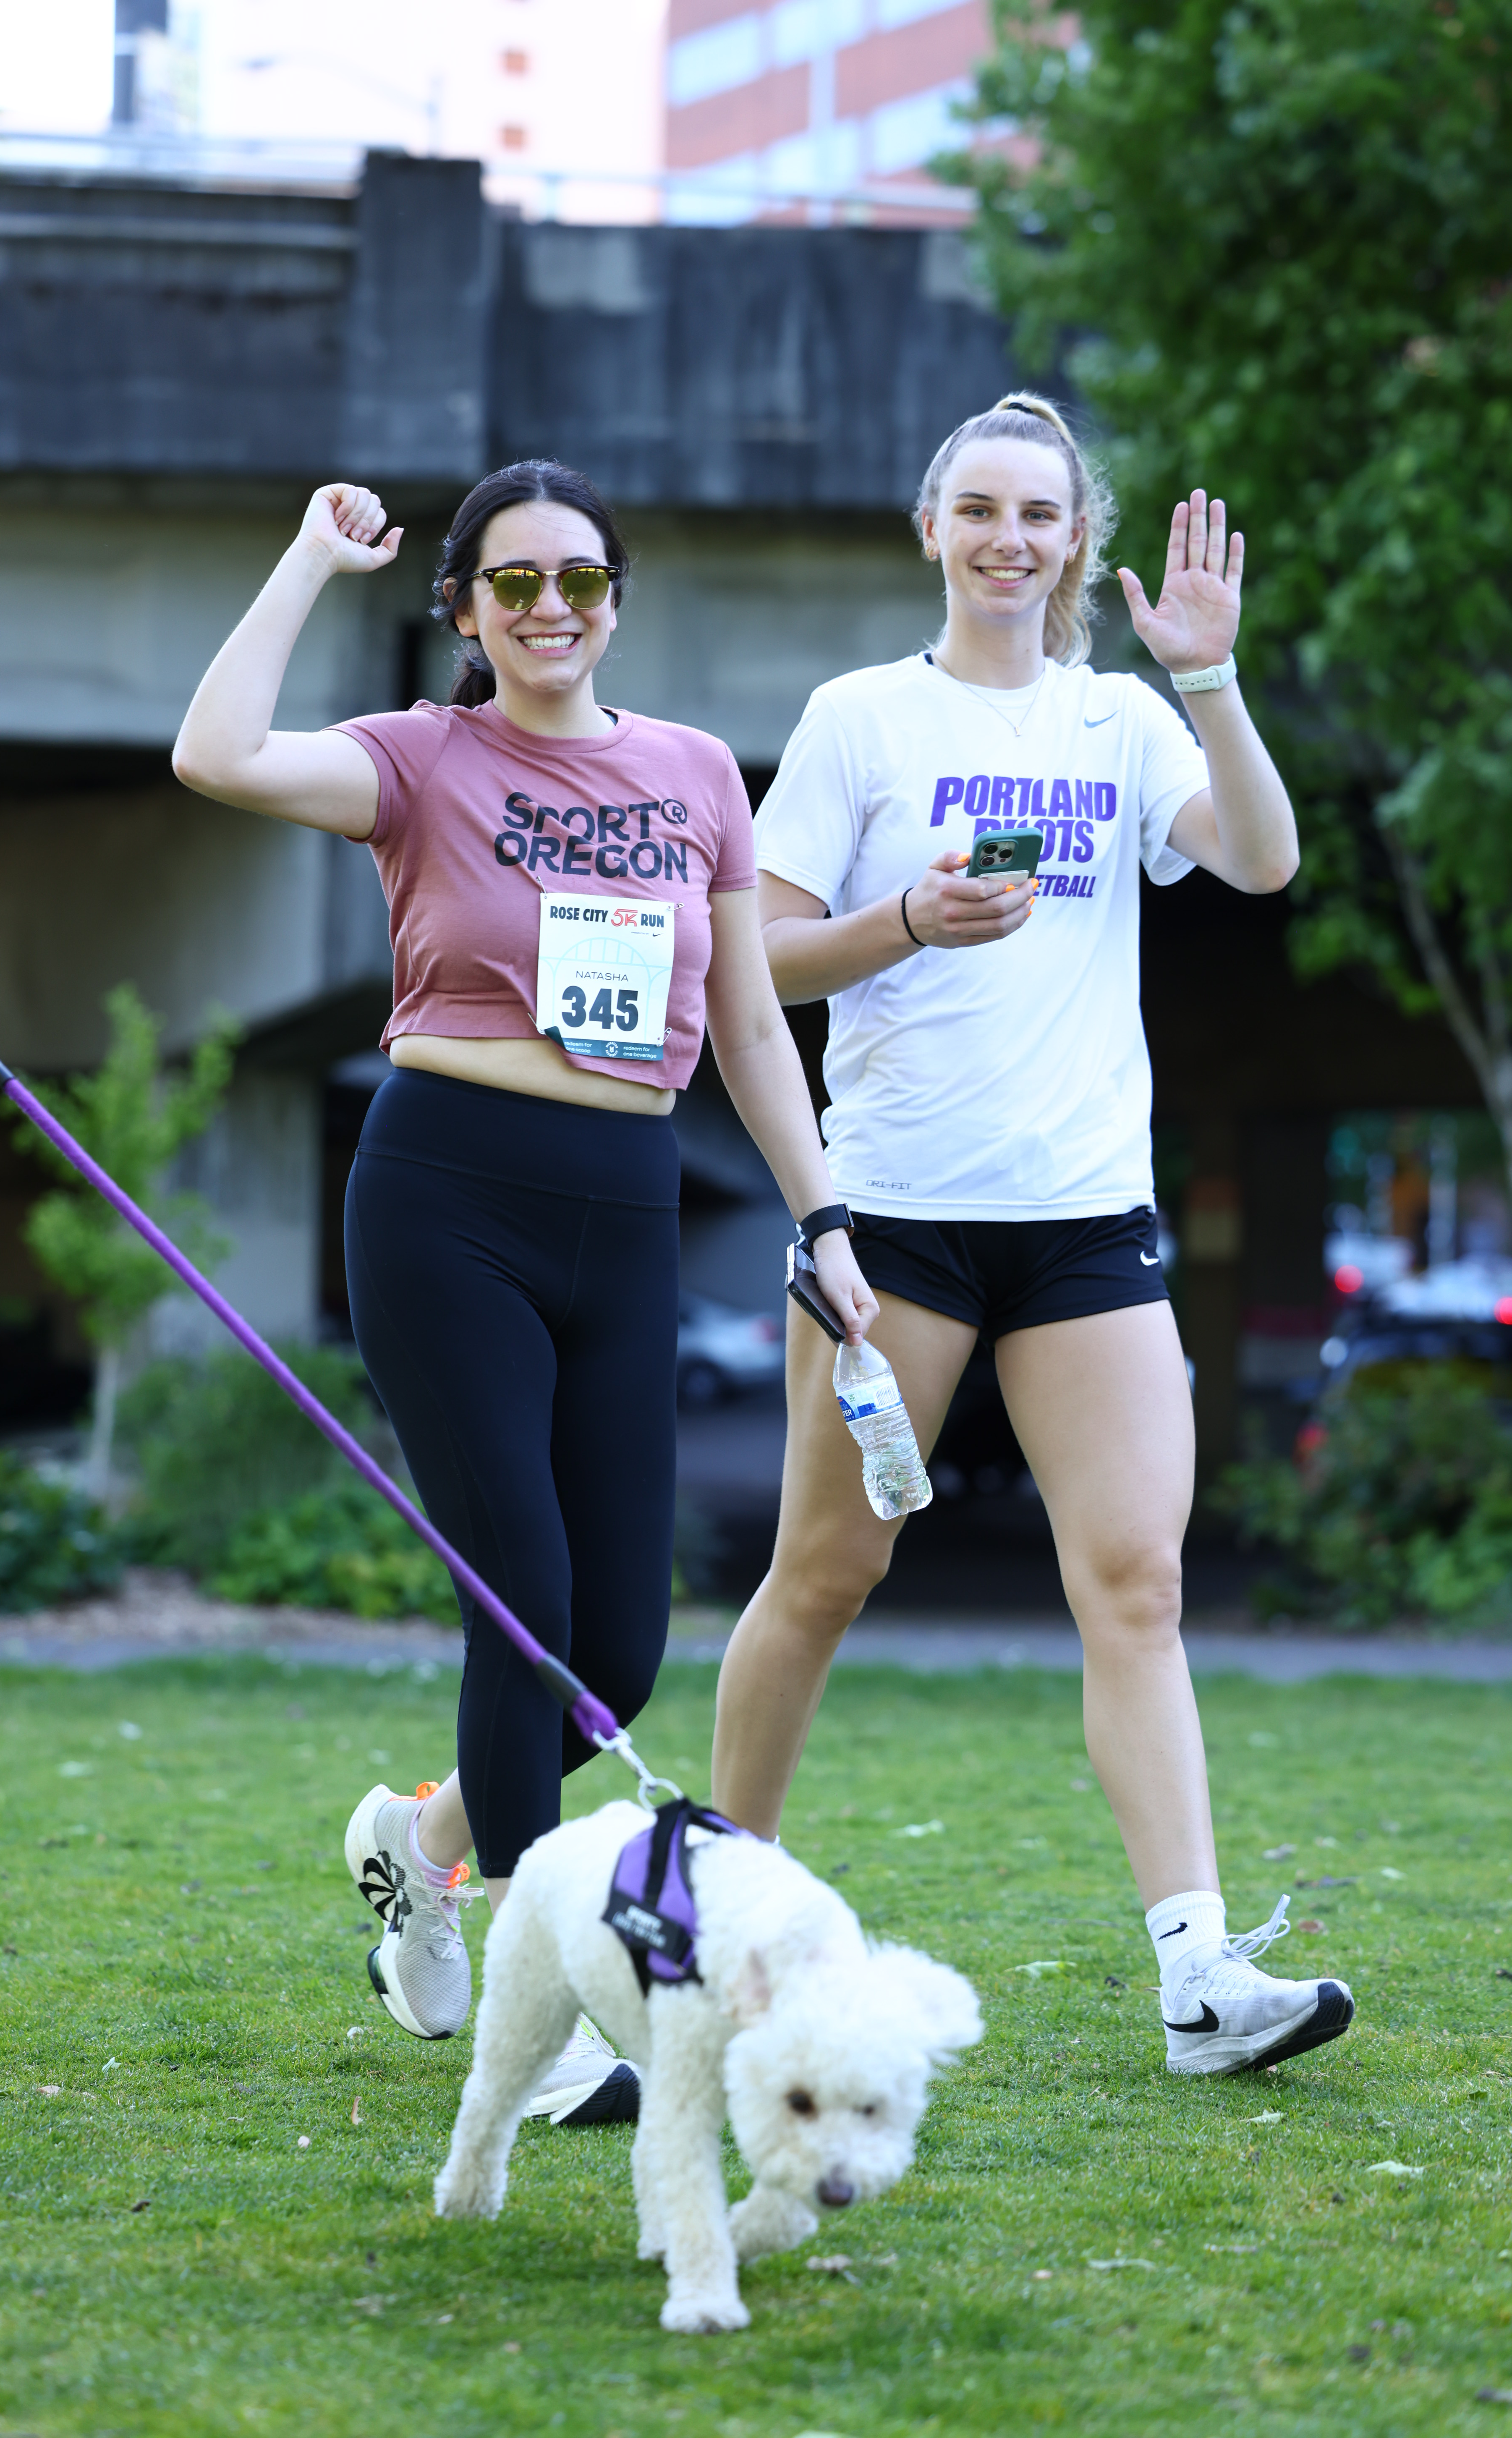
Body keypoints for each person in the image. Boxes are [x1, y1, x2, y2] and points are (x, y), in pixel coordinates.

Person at [172, 460, 876, 2119]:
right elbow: (215, 755)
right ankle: (542, 2020)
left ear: (615, 599)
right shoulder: (420, 756)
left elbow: (749, 1024)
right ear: (467, 610)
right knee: (524, 1606)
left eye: (580, 579)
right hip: (448, 1197)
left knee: (613, 1654)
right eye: (514, 584)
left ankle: (419, 1846)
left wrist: (824, 1221)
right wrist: (305, 562)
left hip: (627, 1207)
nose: (551, 607)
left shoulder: (694, 771)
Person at [710, 393, 1355, 2078]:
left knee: (1136, 1584)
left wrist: (1209, 679)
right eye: (981, 510)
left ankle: (1198, 1977)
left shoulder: (1118, 721)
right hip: (893, 1223)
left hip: (1084, 1225)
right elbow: (755, 962)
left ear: (1078, 541)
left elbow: (1263, 861)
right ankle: (717, 1921)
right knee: (826, 1576)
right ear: (932, 528)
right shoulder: (859, 717)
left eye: (1040, 515)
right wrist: (905, 920)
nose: (1009, 539)